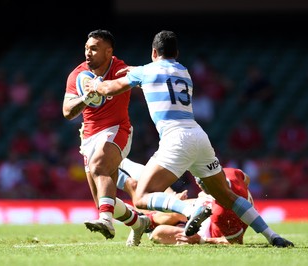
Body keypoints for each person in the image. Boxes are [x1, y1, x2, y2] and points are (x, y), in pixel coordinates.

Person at [85, 30, 294, 247]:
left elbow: (111, 87)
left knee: (141, 196)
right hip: (199, 136)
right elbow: (158, 72)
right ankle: (272, 236)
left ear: (153, 52)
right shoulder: (184, 71)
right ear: (176, 52)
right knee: (226, 196)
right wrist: (138, 71)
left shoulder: (147, 71)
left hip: (175, 138)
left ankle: (190, 208)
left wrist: (95, 86)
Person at [62, 29, 150, 246]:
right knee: (103, 199)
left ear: (109, 51)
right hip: (89, 137)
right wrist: (85, 98)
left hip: (117, 129)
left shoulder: (120, 69)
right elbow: (67, 111)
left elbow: (143, 74)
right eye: (86, 48)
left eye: (94, 48)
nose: (88, 53)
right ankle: (140, 224)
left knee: (99, 166)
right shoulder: (78, 74)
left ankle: (106, 221)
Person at [148, 168, 253, 245]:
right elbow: (246, 180)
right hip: (212, 203)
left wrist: (201, 240)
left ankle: (143, 223)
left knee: (158, 232)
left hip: (210, 229)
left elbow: (235, 242)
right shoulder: (231, 172)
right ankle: (145, 221)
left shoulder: (219, 212)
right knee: (172, 211)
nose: (199, 186)